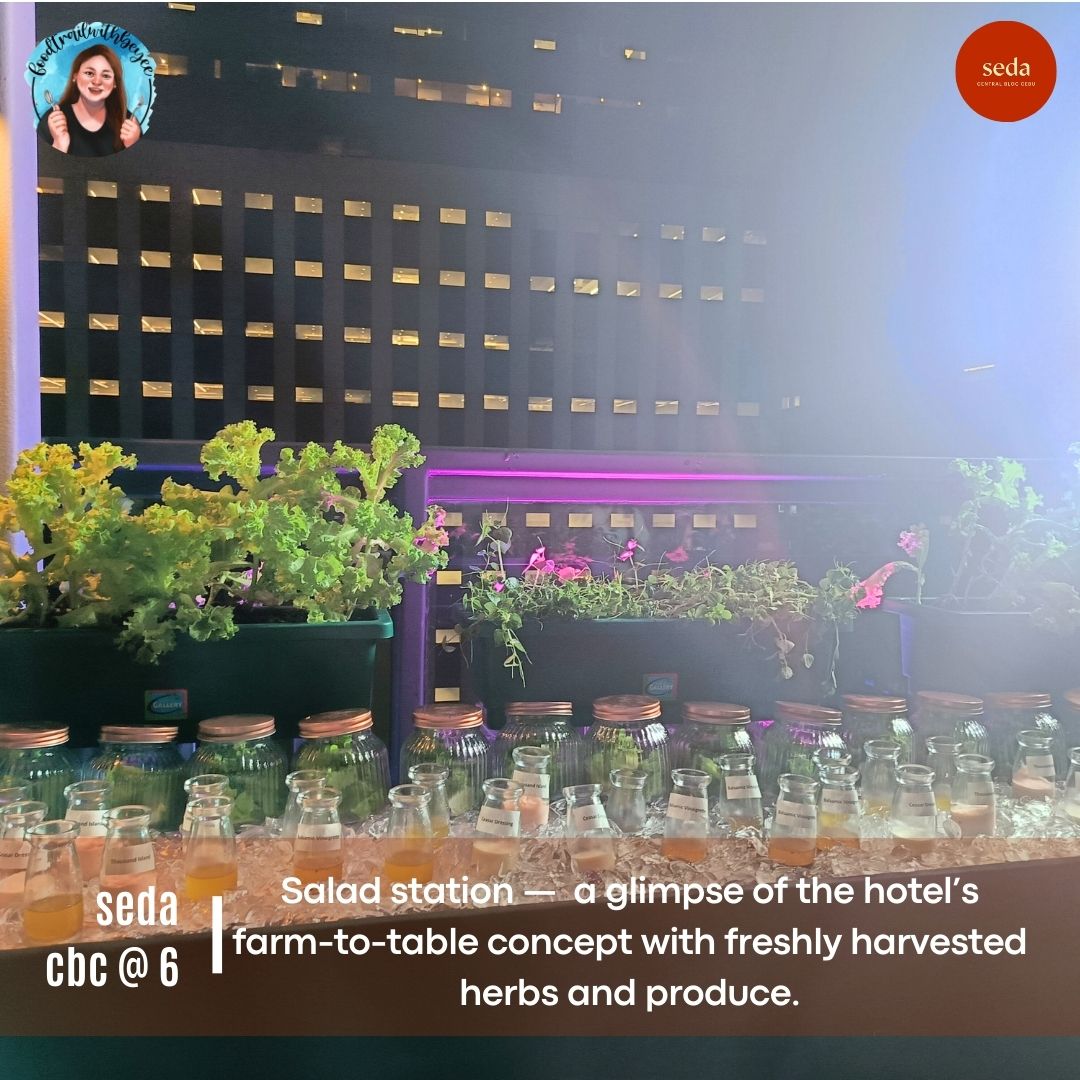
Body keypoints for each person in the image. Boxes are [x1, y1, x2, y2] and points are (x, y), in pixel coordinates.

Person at [38, 44, 141, 156]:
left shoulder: (129, 124)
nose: (97, 81)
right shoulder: (53, 121)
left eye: (106, 76)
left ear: (115, 83)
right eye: (89, 73)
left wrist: (132, 145)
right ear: (75, 76)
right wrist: (59, 144)